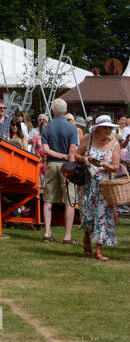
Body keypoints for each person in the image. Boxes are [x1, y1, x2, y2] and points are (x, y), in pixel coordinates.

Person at [75, 114, 121, 261]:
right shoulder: (88, 138)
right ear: (98, 128)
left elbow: (116, 167)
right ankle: (87, 236)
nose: (108, 130)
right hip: (88, 185)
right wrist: (84, 159)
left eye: (110, 127)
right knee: (88, 216)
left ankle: (98, 250)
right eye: (105, 127)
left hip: (104, 188)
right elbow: (75, 155)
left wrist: (104, 165)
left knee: (102, 217)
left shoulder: (115, 143)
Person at [40, 98, 79, 245]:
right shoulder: (72, 128)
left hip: (51, 164)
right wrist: (67, 159)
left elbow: (45, 150)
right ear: (66, 111)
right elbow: (72, 152)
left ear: (52, 111)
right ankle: (67, 236)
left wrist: (59, 155)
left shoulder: (47, 128)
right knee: (69, 201)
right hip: (66, 167)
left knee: (48, 200)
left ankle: (47, 233)